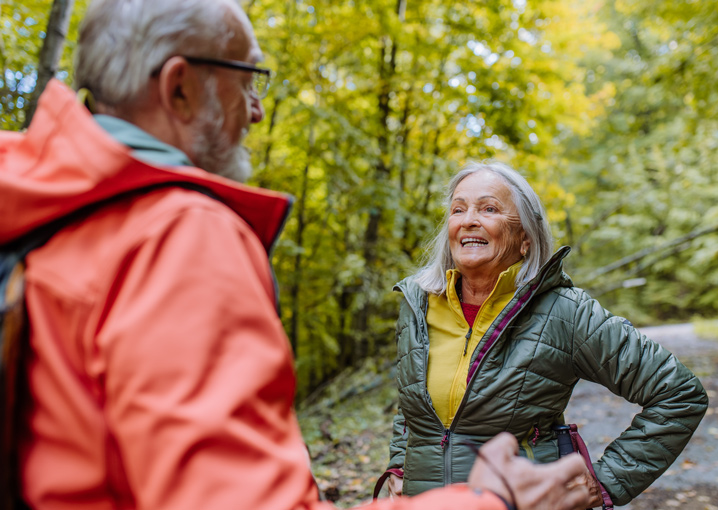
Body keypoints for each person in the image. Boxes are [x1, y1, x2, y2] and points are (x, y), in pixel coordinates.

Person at [0, 1, 596, 509]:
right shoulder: (176, 237)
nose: (256, 110)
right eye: (247, 79)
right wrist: (491, 499)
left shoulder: (33, 208)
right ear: (179, 87)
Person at [383, 161, 709, 507]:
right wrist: (399, 464)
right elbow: (413, 404)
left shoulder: (565, 311)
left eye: (488, 209)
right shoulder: (418, 306)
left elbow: (679, 394)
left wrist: (604, 481)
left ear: (525, 238)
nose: (468, 220)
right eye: (458, 209)